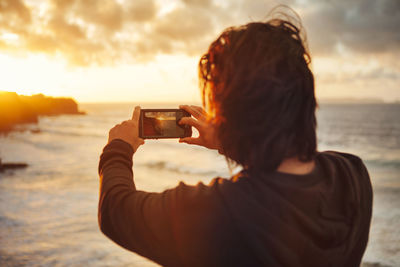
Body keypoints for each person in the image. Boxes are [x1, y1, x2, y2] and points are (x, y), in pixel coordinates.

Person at [98, 12, 373, 267]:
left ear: (229, 111)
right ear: (305, 97)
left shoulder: (220, 213)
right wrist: (230, 141)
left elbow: (116, 211)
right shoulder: (353, 176)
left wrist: (119, 147)